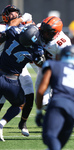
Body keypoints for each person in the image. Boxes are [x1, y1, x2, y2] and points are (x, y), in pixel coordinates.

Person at [35, 45, 74, 150]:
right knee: (58, 144)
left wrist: (38, 111)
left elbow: (41, 90)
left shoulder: (52, 65)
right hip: (73, 110)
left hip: (58, 103)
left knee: (49, 136)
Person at [0, 24, 45, 141]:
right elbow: (40, 62)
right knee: (20, 104)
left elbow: (7, 32)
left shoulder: (13, 32)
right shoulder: (35, 50)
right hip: (11, 80)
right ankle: (1, 124)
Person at [0, 4, 35, 137]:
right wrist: (23, 20)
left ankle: (23, 123)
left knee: (29, 93)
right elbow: (11, 26)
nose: (14, 14)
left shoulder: (20, 26)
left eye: (15, 12)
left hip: (18, 65)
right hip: (3, 65)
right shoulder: (4, 27)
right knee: (2, 99)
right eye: (11, 13)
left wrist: (28, 23)